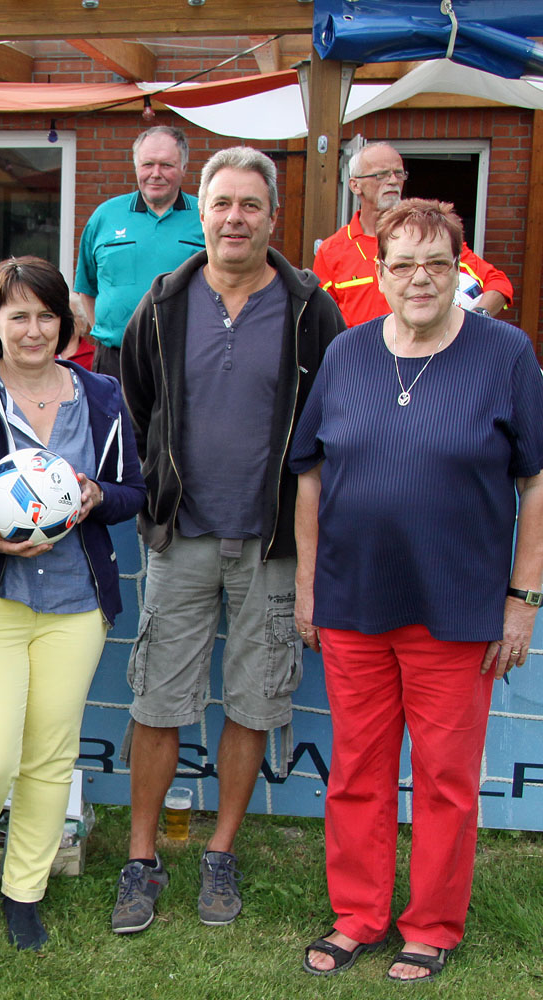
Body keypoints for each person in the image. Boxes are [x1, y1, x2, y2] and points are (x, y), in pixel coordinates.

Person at [294, 199, 543, 983]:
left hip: (458, 606)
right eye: (402, 263)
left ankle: (432, 924)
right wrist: (306, 583)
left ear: (461, 268)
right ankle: (358, 915)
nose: (420, 279)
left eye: (437, 262)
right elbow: (311, 473)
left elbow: (535, 480)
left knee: (444, 779)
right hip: (353, 599)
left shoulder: (506, 354)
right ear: (380, 270)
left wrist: (522, 597)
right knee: (359, 770)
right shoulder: (349, 352)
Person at [114, 146, 344, 935]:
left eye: (251, 205)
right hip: (182, 536)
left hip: (273, 540)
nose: (235, 218)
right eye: (223, 204)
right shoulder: (164, 301)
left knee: (254, 699)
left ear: (273, 218)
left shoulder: (311, 308)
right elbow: (138, 405)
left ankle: (220, 850)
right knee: (157, 699)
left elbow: (327, 424)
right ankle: (141, 856)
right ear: (200, 212)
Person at [0, 256, 144, 950]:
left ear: (66, 322)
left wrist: (94, 497)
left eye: (46, 315)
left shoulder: (102, 395)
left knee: (49, 756)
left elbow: (132, 490)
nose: (33, 329)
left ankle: (24, 890)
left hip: (76, 602)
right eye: (18, 315)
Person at [312, 142, 512, 326]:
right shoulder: (331, 251)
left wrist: (477, 319)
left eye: (398, 173)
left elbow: (499, 283)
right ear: (355, 185)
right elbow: (319, 320)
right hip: (362, 360)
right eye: (381, 174)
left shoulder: (430, 236)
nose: (392, 181)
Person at [74, 125, 205, 378]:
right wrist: (109, 335)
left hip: (184, 363)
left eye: (166, 165)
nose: (156, 174)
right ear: (136, 167)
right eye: (148, 165)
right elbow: (87, 290)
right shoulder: (105, 216)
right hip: (115, 361)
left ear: (184, 168)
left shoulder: (206, 217)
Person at [60, 292, 96, 371]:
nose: (65, 322)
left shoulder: (94, 356)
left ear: (82, 322)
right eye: (61, 317)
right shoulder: (45, 353)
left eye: (70, 316)